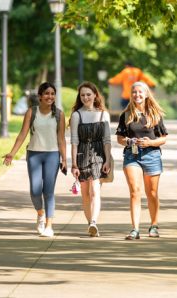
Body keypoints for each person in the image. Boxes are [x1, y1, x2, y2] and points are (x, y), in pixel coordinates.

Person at [3, 82, 67, 237]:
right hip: (34, 155)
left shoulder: (59, 114)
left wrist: (64, 158)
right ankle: (40, 213)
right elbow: (22, 135)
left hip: (52, 154)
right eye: (46, 93)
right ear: (39, 96)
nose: (50, 96)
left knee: (49, 191)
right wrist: (12, 153)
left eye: (52, 93)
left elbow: (61, 139)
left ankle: (49, 225)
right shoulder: (31, 112)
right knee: (35, 190)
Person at [115, 81, 168, 240]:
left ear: (146, 94)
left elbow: (163, 139)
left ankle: (154, 225)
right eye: (134, 92)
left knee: (151, 193)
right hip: (132, 156)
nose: (137, 95)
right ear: (131, 95)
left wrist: (150, 143)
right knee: (134, 192)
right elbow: (119, 138)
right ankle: (135, 229)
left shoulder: (154, 114)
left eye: (140, 92)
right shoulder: (126, 115)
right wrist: (128, 141)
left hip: (152, 155)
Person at [70, 81, 112, 237]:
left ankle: (94, 221)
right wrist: (73, 164)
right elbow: (74, 141)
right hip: (81, 155)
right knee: (85, 193)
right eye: (82, 95)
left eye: (88, 94)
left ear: (95, 95)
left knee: (95, 189)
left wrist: (107, 160)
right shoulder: (76, 115)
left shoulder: (103, 114)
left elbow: (107, 140)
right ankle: (90, 224)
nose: (86, 97)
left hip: (98, 155)